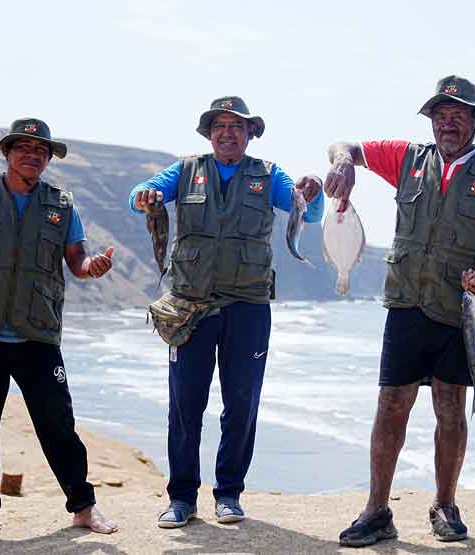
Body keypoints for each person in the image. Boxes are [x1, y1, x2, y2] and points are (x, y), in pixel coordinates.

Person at [323, 76, 475, 546]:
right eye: (440, 116)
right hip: (407, 302)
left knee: (451, 406)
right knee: (391, 404)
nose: (447, 124)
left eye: (458, 116)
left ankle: (445, 505)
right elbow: (344, 146)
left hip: (463, 307)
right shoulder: (408, 159)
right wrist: (343, 163)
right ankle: (376, 511)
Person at [128, 96, 324, 528]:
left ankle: (229, 494)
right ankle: (182, 498)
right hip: (190, 307)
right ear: (209, 134)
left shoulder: (270, 175)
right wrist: (144, 196)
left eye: (237, 126)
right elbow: (139, 196)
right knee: (184, 404)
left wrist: (315, 193)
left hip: (248, 307)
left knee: (241, 401)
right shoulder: (184, 171)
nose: (228, 133)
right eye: (220, 126)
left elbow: (308, 212)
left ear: (251, 133)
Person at [0, 118, 118, 537]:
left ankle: (83, 507)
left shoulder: (61, 205)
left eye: (41, 150)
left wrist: (93, 267)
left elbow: (77, 260)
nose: (32, 155)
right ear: (6, 153)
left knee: (58, 422)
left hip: (37, 334)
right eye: (23, 147)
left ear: (48, 159)